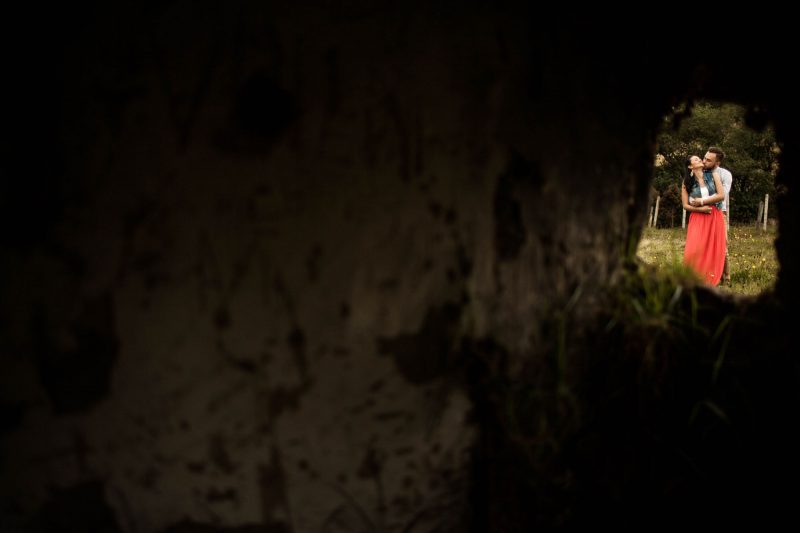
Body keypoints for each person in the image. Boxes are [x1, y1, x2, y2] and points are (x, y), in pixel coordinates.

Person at [682, 155, 727, 286]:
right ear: (690, 166)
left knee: (713, 248)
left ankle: (710, 279)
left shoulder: (714, 175)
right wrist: (700, 210)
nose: (700, 160)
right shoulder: (686, 182)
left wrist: (702, 201)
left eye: (699, 158)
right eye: (695, 159)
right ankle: (692, 278)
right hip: (697, 217)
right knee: (695, 248)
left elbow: (721, 195)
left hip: (714, 215)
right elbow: (685, 205)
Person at [702, 147, 733, 284]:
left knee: (722, 246)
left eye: (708, 160)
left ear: (717, 163)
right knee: (704, 245)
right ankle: (707, 276)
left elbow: (722, 195)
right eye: (704, 158)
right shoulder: (699, 173)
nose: (704, 161)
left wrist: (703, 200)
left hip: (720, 213)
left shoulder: (725, 174)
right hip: (702, 213)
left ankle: (726, 278)